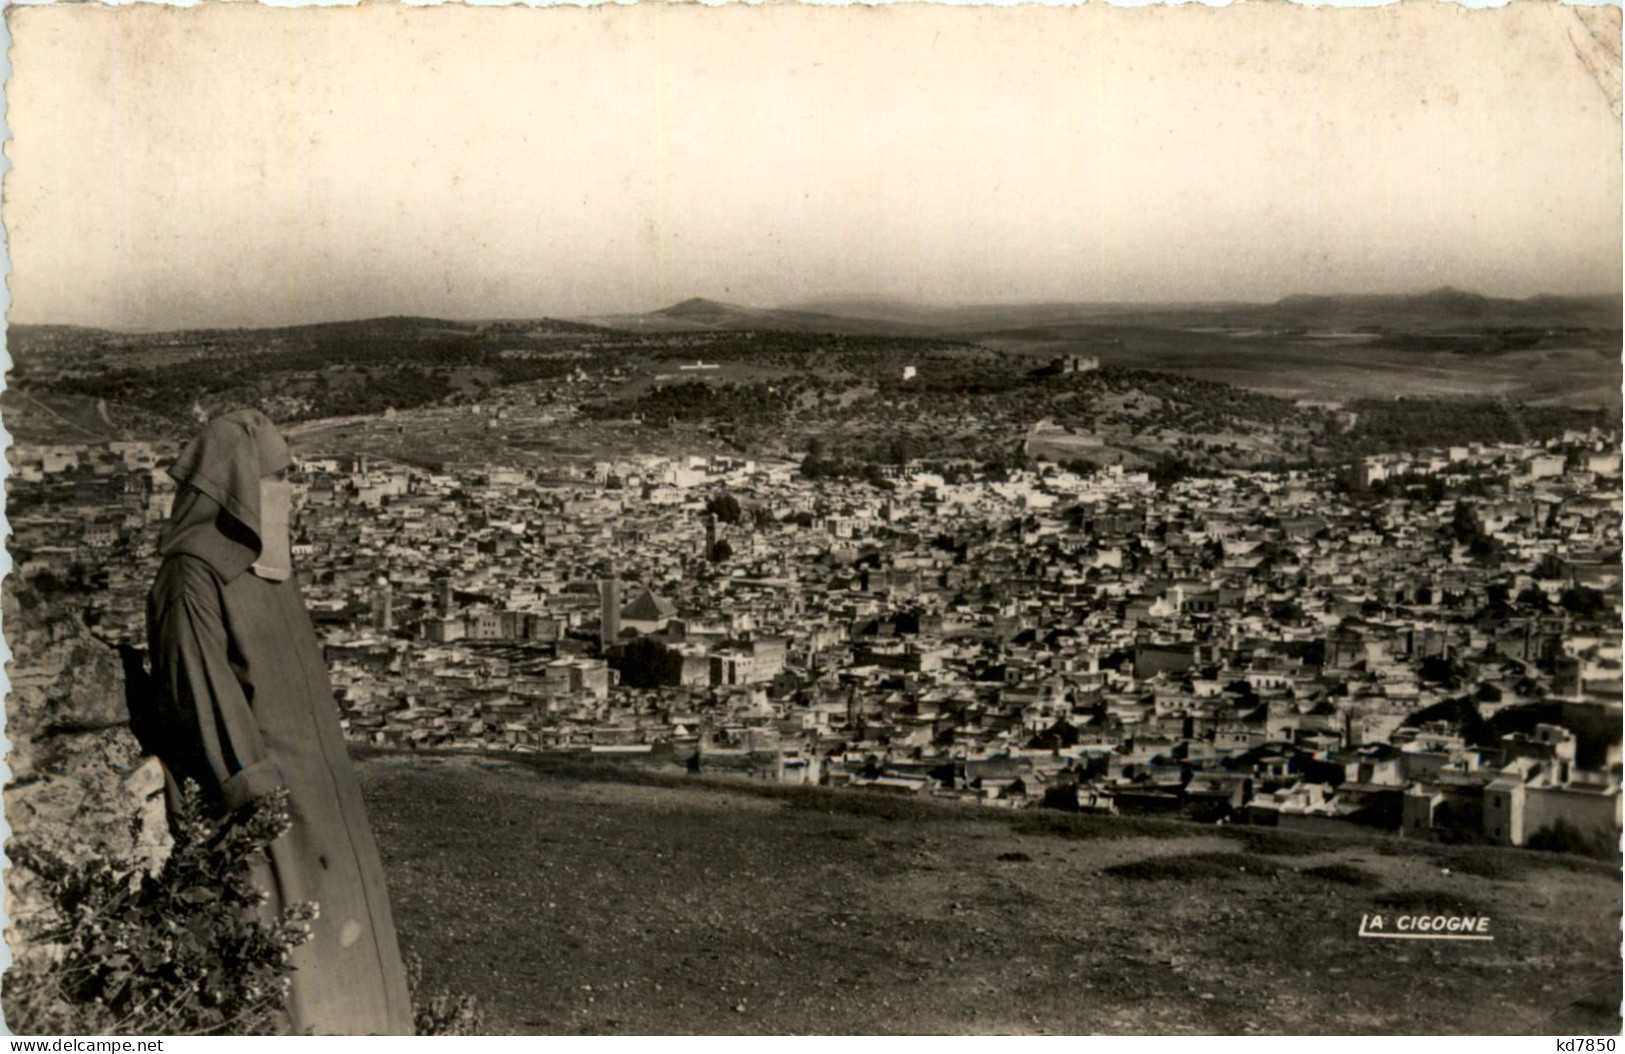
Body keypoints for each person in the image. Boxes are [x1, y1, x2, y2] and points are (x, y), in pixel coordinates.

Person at [140, 409, 414, 1035]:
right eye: (276, 477)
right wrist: (263, 818)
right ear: (233, 486)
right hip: (271, 817)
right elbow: (208, 709)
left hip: (323, 809)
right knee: (297, 984)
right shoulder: (192, 578)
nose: (287, 490)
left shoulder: (266, 571)